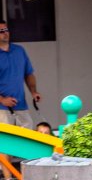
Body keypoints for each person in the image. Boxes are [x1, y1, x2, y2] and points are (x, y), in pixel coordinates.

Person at [0, 19, 41, 180]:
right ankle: (8, 177)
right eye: (1, 31)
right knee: (5, 144)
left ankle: (28, 175)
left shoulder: (19, 51)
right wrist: (2, 99)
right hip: (2, 109)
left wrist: (34, 92)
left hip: (21, 105)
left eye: (6, 30)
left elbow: (28, 73)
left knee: (28, 141)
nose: (5, 33)